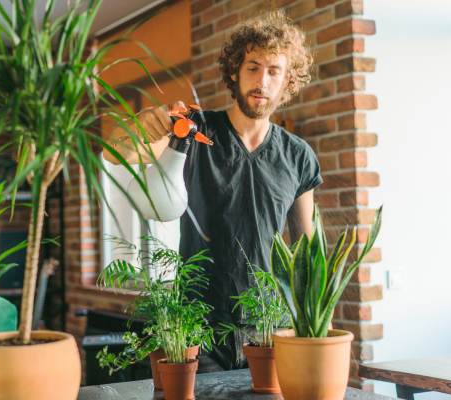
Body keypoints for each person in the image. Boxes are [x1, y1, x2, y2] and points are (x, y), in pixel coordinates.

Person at [102, 10, 321, 372]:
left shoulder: (299, 156)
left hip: (270, 329)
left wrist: (314, 323)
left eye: (274, 71)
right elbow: (118, 152)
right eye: (252, 67)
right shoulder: (193, 130)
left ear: (288, 81)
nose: (261, 81)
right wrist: (139, 126)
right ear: (234, 71)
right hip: (198, 328)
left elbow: (306, 251)